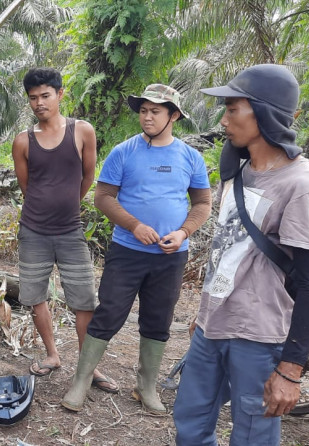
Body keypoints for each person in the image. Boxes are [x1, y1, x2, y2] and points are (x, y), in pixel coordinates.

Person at [172, 64, 309, 445]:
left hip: (257, 336)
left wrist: (291, 368)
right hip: (212, 327)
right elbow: (229, 249)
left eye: (232, 109)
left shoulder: (303, 185)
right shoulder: (238, 173)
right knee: (190, 423)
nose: (224, 121)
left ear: (265, 113)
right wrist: (204, 312)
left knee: (251, 436)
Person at [61, 84, 211, 414]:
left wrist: (183, 232)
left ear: (174, 115)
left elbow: (202, 203)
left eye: (155, 111)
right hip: (127, 252)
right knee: (109, 314)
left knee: (158, 320)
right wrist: (134, 226)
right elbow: (103, 197)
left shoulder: (190, 157)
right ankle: (81, 381)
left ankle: (146, 387)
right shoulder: (124, 152)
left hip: (170, 257)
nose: (147, 117)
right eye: (143, 111)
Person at [11, 68, 118, 393]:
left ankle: (88, 366)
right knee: (35, 296)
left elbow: (88, 177)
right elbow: (27, 187)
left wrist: (67, 204)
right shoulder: (23, 141)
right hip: (33, 231)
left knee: (83, 299)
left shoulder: (82, 131)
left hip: (71, 230)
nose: (39, 103)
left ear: (60, 94)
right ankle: (52, 355)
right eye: (33, 98)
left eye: (45, 95)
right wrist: (45, 208)